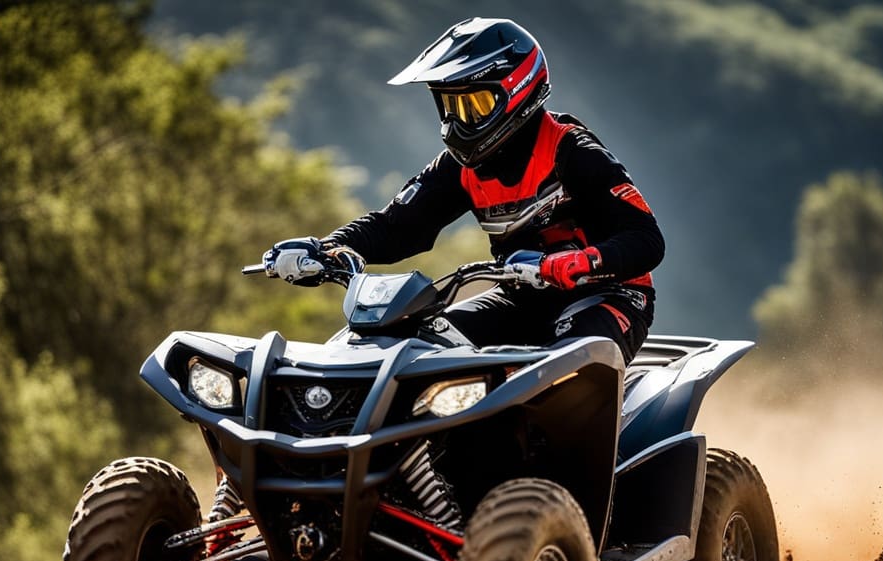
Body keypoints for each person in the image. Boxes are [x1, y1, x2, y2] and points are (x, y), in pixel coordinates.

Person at [266, 17, 664, 364]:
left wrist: (576, 263)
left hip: (609, 296)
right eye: (450, 107)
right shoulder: (458, 167)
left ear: (517, 90)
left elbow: (646, 241)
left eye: (473, 105)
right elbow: (395, 228)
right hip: (519, 298)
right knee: (412, 347)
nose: (458, 123)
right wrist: (325, 249)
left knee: (567, 374)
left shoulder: (570, 150)